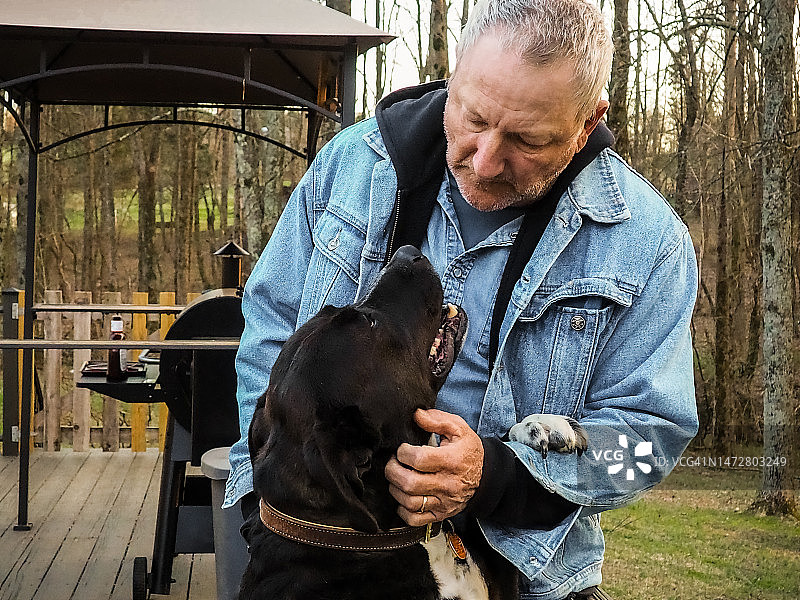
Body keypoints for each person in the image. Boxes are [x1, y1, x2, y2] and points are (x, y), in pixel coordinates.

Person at [224, 0, 699, 597]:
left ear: (588, 122)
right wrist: (272, 512)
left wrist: (495, 476)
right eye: (474, 118)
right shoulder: (352, 167)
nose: (485, 160)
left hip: (532, 580)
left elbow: (648, 443)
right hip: (322, 570)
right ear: (454, 77)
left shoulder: (648, 242)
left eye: (526, 139)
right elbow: (268, 335)